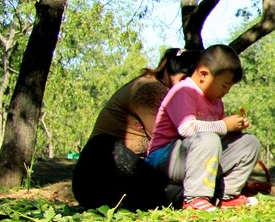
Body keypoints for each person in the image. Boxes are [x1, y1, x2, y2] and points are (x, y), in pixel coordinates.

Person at [72, 48, 201, 210]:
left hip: (127, 177)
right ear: (183, 78)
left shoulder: (163, 89)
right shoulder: (151, 90)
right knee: (177, 192)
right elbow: (170, 142)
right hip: (100, 172)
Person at [144, 44, 261, 212]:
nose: (227, 91)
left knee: (250, 142)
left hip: (198, 154)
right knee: (208, 138)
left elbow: (218, 135)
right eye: (224, 85)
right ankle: (195, 200)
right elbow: (186, 129)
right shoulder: (184, 91)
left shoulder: (216, 102)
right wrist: (223, 125)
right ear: (204, 74)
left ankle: (227, 195)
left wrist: (233, 129)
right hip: (165, 158)